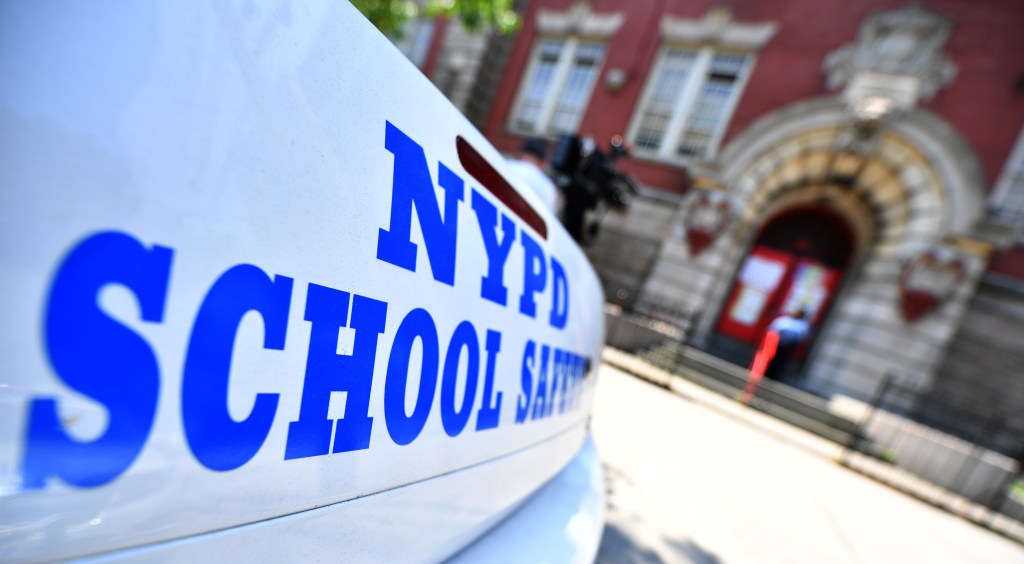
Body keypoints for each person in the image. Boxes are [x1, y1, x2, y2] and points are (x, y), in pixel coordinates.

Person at [505, 137, 559, 213]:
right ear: (543, 162)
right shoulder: (548, 187)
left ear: (519, 153)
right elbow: (547, 217)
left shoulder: (505, 165)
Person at [763, 309, 812, 382]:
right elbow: (773, 330)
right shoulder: (784, 320)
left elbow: (802, 336)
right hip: (779, 342)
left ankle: (773, 376)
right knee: (774, 359)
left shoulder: (801, 325)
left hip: (788, 345)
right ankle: (766, 373)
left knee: (780, 361)